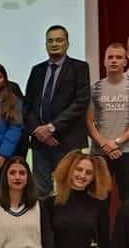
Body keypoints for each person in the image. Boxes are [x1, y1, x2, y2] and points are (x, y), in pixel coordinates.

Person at [24, 25, 92, 195]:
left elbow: (80, 102)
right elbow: (27, 105)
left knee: (69, 191)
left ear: (67, 43)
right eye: (50, 41)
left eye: (59, 40)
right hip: (40, 142)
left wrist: (51, 128)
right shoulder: (37, 70)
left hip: (68, 140)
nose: (54, 44)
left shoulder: (80, 68)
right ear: (46, 44)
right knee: (41, 192)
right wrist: (39, 131)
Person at [86, 43, 129, 202]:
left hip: (127, 152)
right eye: (110, 57)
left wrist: (117, 142)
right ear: (104, 61)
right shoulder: (95, 88)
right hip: (100, 153)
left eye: (118, 57)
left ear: (125, 61)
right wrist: (104, 143)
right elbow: (89, 121)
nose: (114, 60)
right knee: (99, 200)